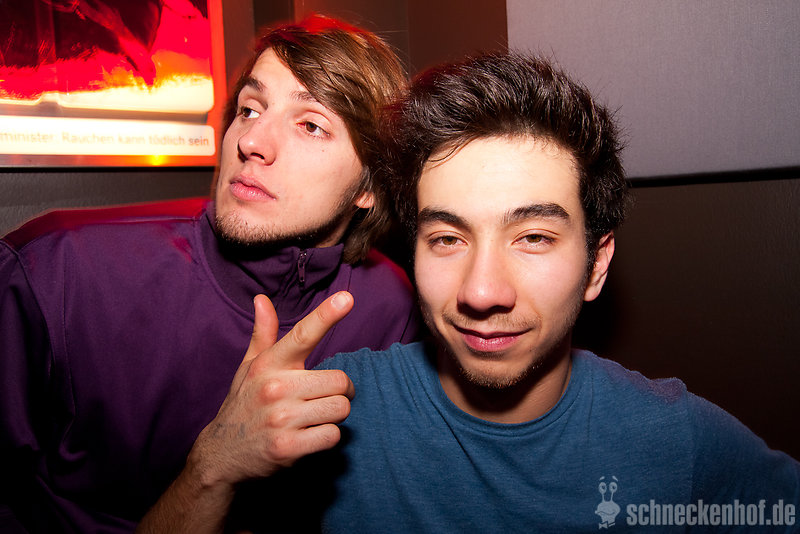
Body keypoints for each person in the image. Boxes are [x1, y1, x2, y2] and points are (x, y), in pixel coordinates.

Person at [140, 52, 800, 533]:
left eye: (533, 237)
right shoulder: (331, 414)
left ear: (597, 264)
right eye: (447, 238)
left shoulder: (674, 441)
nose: (482, 291)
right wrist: (213, 465)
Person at [0, 15, 422, 533]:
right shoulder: (55, 271)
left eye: (311, 124)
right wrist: (215, 466)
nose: (253, 142)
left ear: (370, 187)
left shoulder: (391, 308)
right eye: (249, 109)